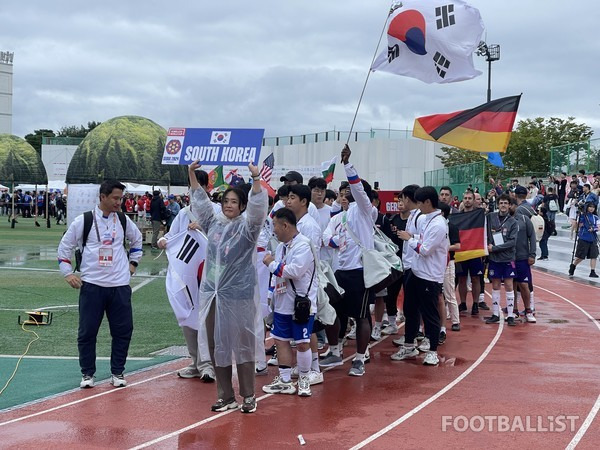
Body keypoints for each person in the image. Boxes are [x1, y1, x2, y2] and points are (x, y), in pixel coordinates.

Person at [188, 160, 268, 414]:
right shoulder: (214, 225)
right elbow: (200, 203)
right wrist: (191, 173)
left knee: (243, 345)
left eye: (234, 202)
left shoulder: (248, 228)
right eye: (225, 201)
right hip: (213, 296)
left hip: (239, 296)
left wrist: (256, 180)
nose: (229, 205)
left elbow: (257, 211)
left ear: (242, 205)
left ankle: (248, 396)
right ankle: (225, 395)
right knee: (215, 345)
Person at [57, 180, 143, 388]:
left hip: (120, 286)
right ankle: (88, 374)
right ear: (102, 197)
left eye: (121, 198)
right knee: (87, 332)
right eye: (115, 198)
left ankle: (118, 372)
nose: (118, 202)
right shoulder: (83, 221)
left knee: (123, 331)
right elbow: (64, 248)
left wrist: (132, 265)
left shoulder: (123, 220)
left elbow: (137, 241)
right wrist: (68, 274)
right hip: (92, 285)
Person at [318, 144, 377, 377]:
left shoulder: (365, 211)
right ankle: (334, 350)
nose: (345, 194)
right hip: (339, 271)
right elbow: (325, 236)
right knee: (331, 309)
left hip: (360, 271)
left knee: (361, 315)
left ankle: (360, 358)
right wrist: (334, 242)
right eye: (342, 192)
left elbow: (358, 189)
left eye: (349, 190)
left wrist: (347, 165)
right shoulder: (340, 216)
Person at [157, 170, 216, 382]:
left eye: (197, 188)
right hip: (187, 278)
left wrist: (203, 228)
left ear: (206, 189)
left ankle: (209, 364)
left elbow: (224, 237)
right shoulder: (182, 214)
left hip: (209, 277)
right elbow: (172, 235)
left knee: (208, 321)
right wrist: (163, 240)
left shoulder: (215, 212)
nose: (194, 192)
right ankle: (195, 361)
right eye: (191, 188)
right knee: (187, 317)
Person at [262, 208, 318, 397]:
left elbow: (294, 271)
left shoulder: (304, 245)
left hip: (300, 305)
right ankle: (285, 380)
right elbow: (277, 275)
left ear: (285, 225)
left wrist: (270, 263)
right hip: (282, 302)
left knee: (302, 343)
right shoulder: (281, 247)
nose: (274, 231)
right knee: (281, 340)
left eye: (275, 226)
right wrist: (271, 294)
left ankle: (304, 379)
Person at [391, 186, 449, 366]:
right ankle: (409, 345)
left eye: (419, 203)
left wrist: (409, 239)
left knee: (429, 314)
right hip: (416, 272)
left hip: (429, 276)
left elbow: (425, 249)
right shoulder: (426, 219)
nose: (417, 207)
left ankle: (432, 350)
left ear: (427, 202)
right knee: (410, 308)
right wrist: (413, 237)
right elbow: (421, 238)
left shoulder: (439, 224)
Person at [485, 194, 518, 326]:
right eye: (501, 203)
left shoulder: (513, 222)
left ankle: (510, 315)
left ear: (509, 205)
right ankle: (495, 314)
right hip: (494, 259)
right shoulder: (491, 218)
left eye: (505, 203)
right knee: (495, 285)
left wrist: (495, 248)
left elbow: (512, 242)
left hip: (507, 258)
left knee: (509, 285)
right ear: (498, 204)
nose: (503, 205)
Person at [569, 203, 599, 278]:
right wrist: (580, 217)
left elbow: (598, 227)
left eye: (593, 207)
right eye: (590, 207)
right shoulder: (582, 216)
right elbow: (578, 224)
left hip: (593, 238)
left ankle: (592, 271)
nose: (592, 209)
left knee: (594, 255)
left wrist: (594, 229)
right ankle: (573, 266)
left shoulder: (595, 217)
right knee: (580, 256)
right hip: (583, 238)